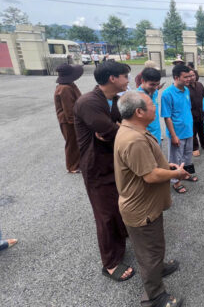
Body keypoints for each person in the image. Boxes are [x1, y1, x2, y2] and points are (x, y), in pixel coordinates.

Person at [115, 91, 189, 307]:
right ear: (139, 112)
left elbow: (149, 164)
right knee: (149, 252)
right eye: (151, 105)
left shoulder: (134, 130)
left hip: (147, 205)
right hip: (141, 209)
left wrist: (167, 166)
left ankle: (159, 269)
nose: (155, 108)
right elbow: (150, 175)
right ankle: (154, 297)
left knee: (154, 245)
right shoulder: (134, 139)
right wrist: (176, 174)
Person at [73, 60, 134, 282]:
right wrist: (115, 130)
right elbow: (111, 131)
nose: (128, 80)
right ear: (112, 78)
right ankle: (110, 263)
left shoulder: (115, 101)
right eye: (125, 76)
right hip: (96, 167)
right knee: (105, 215)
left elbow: (128, 127)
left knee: (119, 205)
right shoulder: (88, 102)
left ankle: (121, 241)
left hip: (114, 163)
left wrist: (116, 130)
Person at [161, 64, 198, 194]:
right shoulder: (167, 94)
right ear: (176, 77)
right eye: (186, 77)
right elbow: (167, 117)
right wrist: (173, 135)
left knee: (187, 156)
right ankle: (175, 182)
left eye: (189, 76)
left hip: (188, 130)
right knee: (175, 159)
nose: (189, 79)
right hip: (177, 133)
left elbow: (186, 109)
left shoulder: (186, 90)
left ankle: (186, 174)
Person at [54, 63, 83, 173]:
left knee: (76, 142)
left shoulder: (69, 85)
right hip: (68, 121)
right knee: (72, 143)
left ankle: (77, 163)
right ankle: (72, 166)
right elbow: (69, 109)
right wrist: (75, 123)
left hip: (71, 120)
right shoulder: (65, 88)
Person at [137, 67, 162, 145]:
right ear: (143, 81)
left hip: (157, 136)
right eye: (152, 84)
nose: (155, 88)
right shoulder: (136, 97)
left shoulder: (154, 92)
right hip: (145, 139)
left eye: (157, 84)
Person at [187, 69, 204, 156]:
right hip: (191, 114)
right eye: (189, 76)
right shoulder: (185, 88)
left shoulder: (200, 85)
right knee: (193, 132)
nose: (191, 77)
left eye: (193, 75)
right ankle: (195, 148)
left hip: (201, 112)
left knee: (202, 130)